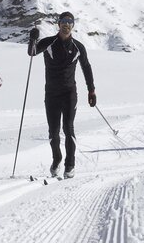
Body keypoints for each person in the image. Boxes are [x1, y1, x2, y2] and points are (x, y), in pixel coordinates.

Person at [27, 11, 95, 179]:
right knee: (53, 131)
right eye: (64, 21)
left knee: (68, 128)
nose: (66, 24)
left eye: (70, 22)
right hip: (51, 93)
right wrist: (32, 39)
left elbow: (86, 67)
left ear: (73, 26)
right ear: (59, 24)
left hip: (69, 93)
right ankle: (57, 159)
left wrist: (91, 90)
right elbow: (32, 52)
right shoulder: (49, 42)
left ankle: (70, 165)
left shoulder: (78, 47)